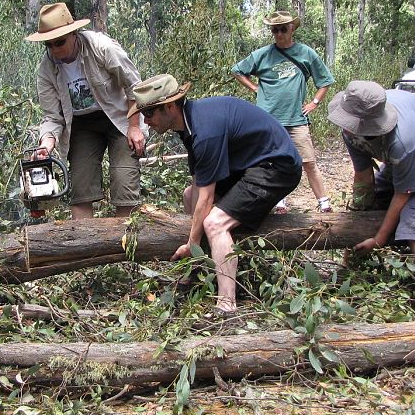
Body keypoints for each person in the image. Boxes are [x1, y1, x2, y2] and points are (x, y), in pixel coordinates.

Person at [130, 74, 303, 317]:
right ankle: (202, 269)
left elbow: (208, 198)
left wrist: (191, 242)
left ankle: (227, 305)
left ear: (170, 106)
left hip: (276, 167)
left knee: (215, 223)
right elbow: (198, 186)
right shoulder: (189, 123)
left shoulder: (204, 131)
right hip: (248, 164)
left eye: (149, 114)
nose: (146, 121)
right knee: (189, 195)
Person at [326, 81, 415, 315]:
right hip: (400, 160)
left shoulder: (405, 140)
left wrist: (380, 237)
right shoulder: (350, 129)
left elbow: (404, 194)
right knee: (374, 206)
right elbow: (363, 175)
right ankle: (352, 270)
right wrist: (360, 212)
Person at [26, 2, 146, 220]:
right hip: (81, 125)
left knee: (124, 182)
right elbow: (52, 117)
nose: (55, 49)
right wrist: (46, 145)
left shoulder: (102, 47)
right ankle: (86, 247)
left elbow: (135, 86)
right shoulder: (47, 69)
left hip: (119, 117)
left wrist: (135, 127)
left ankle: (125, 248)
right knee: (80, 189)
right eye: (48, 45)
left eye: (59, 42)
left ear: (74, 33)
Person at [232, 10, 335, 214]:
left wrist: (314, 102)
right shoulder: (262, 54)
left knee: (308, 161)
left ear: (292, 29)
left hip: (296, 119)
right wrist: (254, 88)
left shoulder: (306, 53)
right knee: (271, 163)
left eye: (283, 29)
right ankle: (279, 203)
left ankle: (324, 202)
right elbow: (237, 70)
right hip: (268, 119)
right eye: (275, 30)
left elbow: (325, 81)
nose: (279, 34)